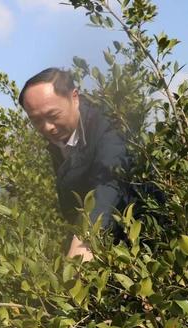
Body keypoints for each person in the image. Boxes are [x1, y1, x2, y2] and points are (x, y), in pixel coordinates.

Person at [19, 67, 132, 261]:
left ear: (75, 97)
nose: (48, 127)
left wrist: (85, 239)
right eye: (36, 120)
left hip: (137, 236)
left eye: (53, 115)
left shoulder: (109, 126)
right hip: (101, 237)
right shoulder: (60, 137)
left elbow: (108, 182)